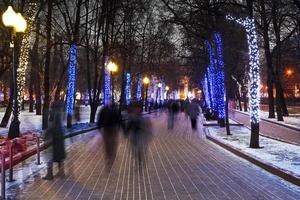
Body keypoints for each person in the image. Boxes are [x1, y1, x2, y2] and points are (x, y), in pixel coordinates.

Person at [43, 101, 66, 180]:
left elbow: (51, 126)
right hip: (59, 137)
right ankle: (61, 172)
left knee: (49, 156)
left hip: (53, 137)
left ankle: (49, 174)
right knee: (59, 156)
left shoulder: (53, 113)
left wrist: (47, 133)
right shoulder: (59, 113)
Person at [126, 102, 152, 169]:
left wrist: (148, 134)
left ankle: (140, 160)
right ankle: (138, 157)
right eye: (136, 109)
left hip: (141, 135)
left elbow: (148, 126)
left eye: (138, 109)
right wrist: (126, 133)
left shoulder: (145, 117)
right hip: (134, 135)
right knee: (135, 149)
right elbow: (129, 126)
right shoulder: (132, 117)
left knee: (140, 148)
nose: (137, 110)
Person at [97, 104, 122, 170]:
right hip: (110, 129)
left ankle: (109, 159)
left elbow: (119, 119)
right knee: (110, 145)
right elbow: (120, 119)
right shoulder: (107, 109)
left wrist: (99, 126)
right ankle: (110, 158)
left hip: (110, 129)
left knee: (110, 145)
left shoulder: (111, 109)